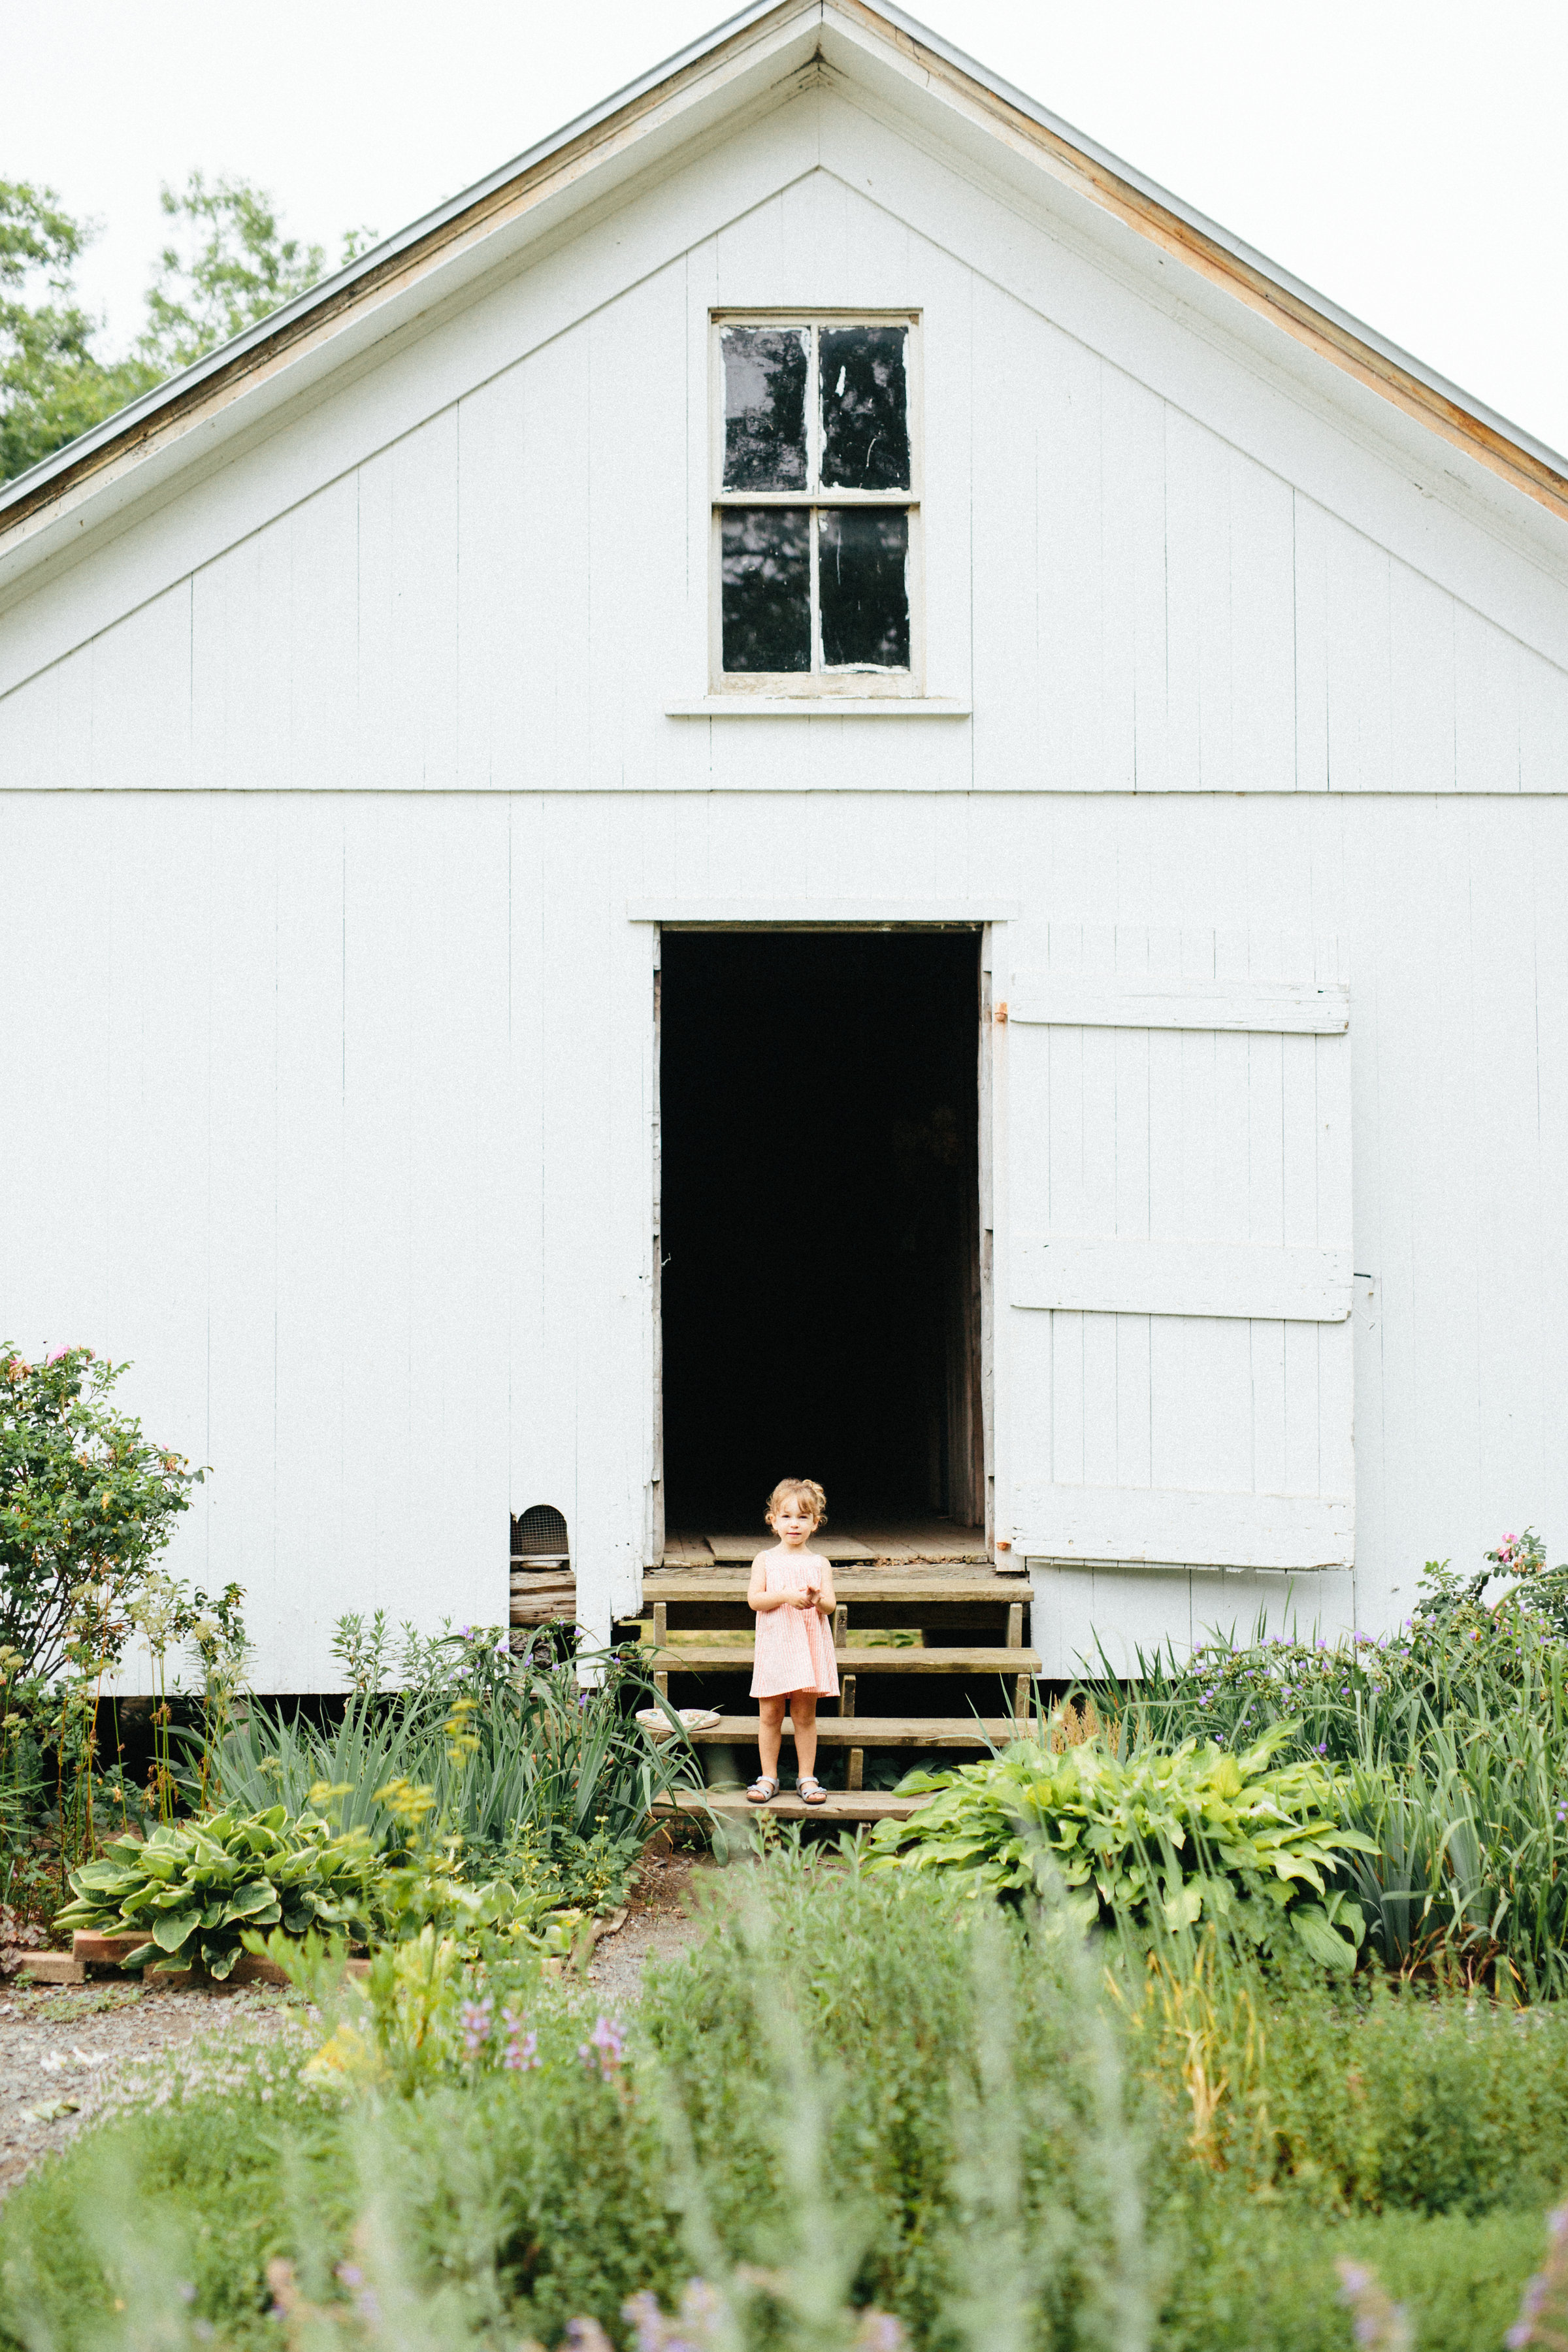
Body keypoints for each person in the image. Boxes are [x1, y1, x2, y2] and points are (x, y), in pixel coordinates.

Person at [746, 1476, 838, 1806]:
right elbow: (755, 1600)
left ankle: (806, 1777)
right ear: (773, 1521)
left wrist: (816, 1599)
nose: (794, 1525)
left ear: (816, 1523)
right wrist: (785, 1595)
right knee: (770, 1714)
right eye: (786, 1517)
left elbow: (830, 1606)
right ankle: (768, 1776)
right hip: (775, 1647)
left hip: (807, 1648)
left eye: (803, 1518)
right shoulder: (765, 1560)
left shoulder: (819, 1563)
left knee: (804, 1716)